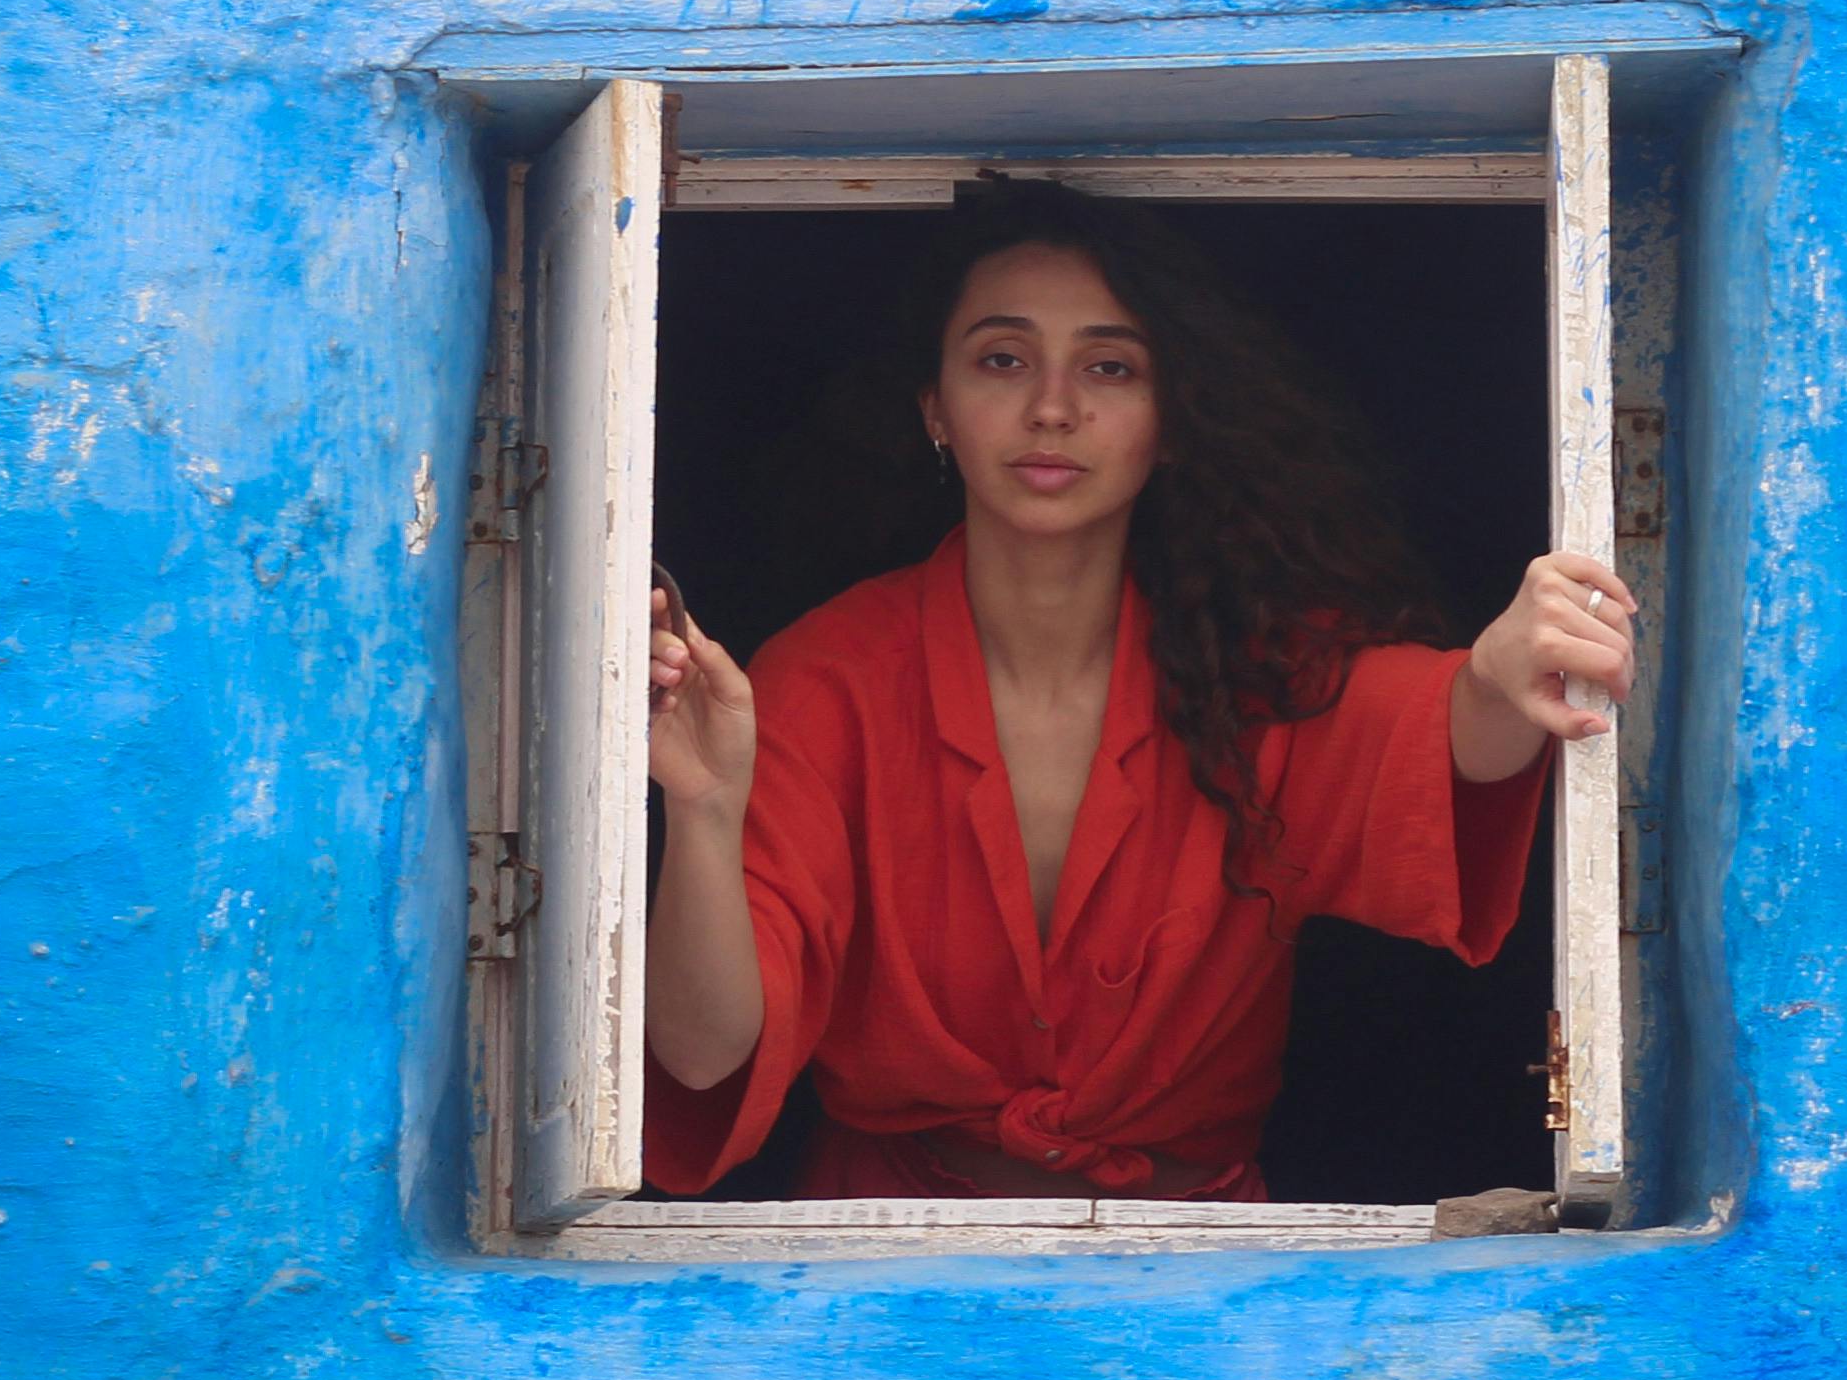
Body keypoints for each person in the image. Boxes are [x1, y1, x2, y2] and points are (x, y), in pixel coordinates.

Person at [636, 175, 1635, 1202]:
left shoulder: (1254, 667)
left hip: (1202, 1271)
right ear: (936, 407)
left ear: (1169, 418)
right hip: (874, 1269)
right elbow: (705, 1054)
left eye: (1108, 366)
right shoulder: (823, 682)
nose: (1054, 407)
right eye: (1002, 359)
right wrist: (705, 811)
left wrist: (1510, 670)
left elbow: (1439, 737)